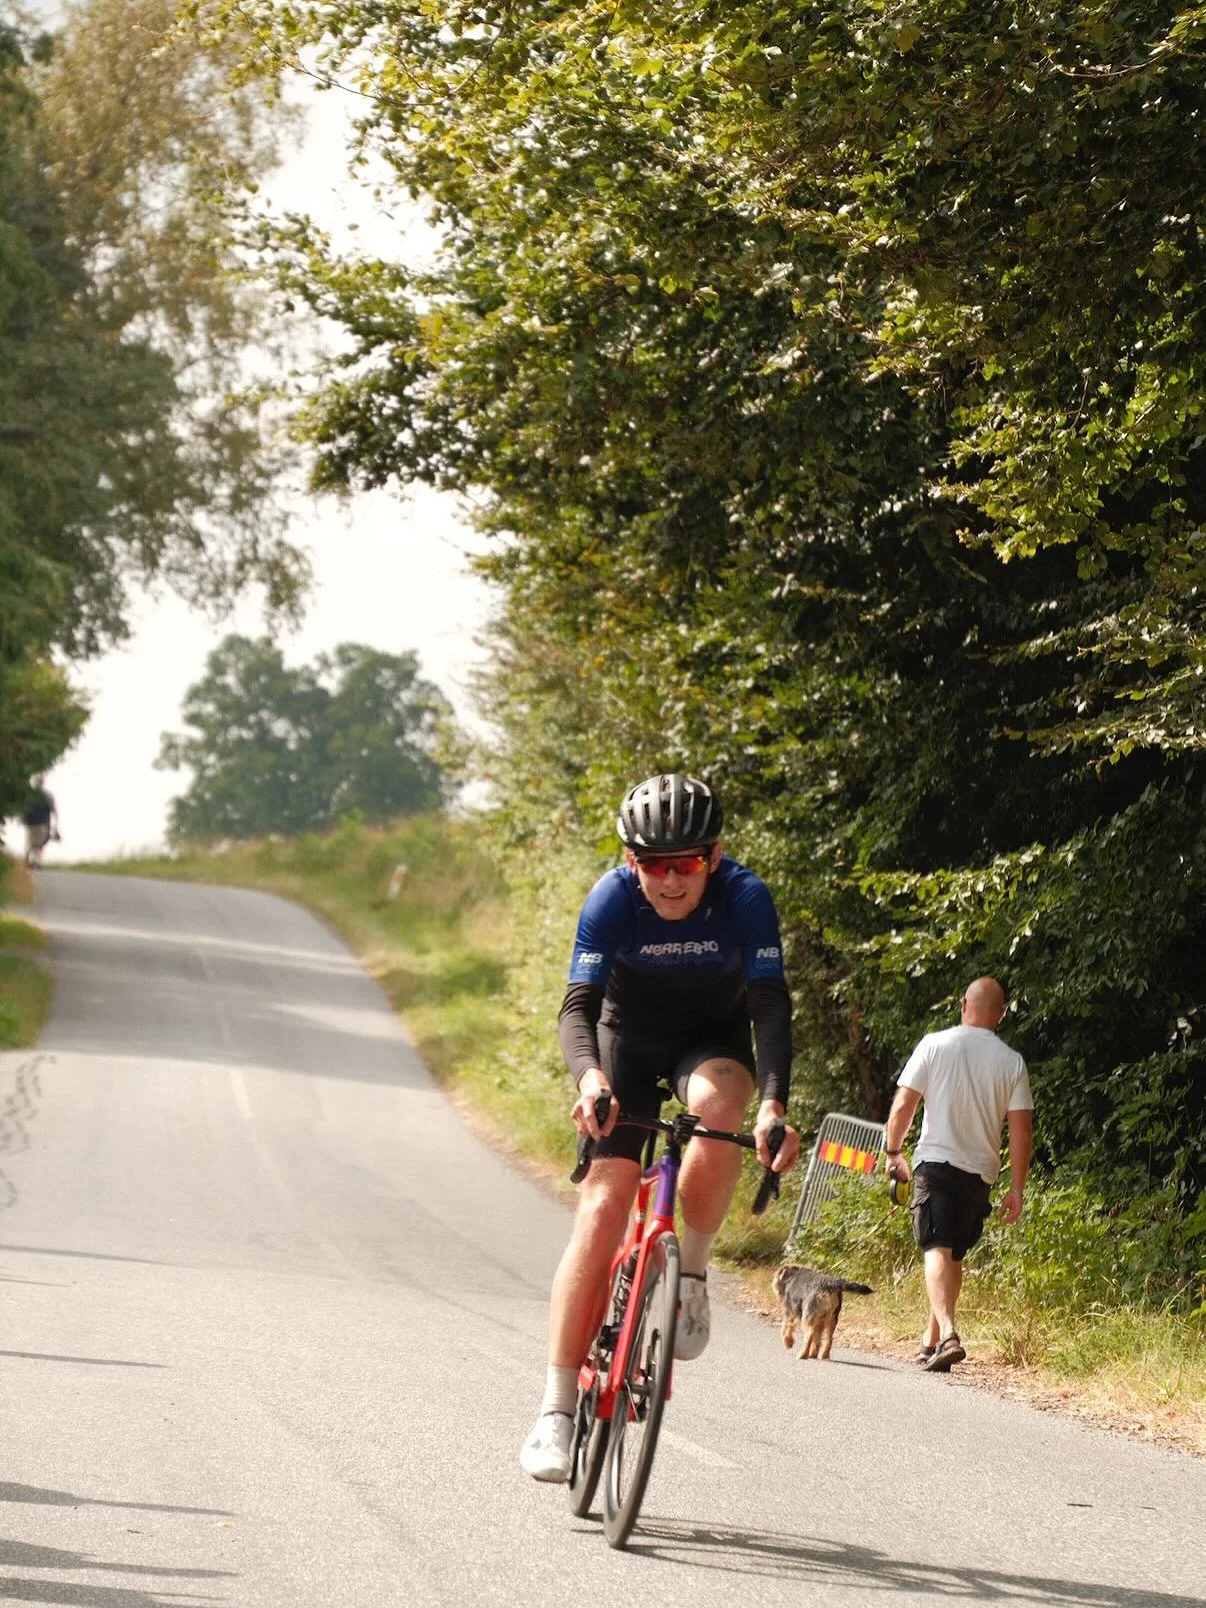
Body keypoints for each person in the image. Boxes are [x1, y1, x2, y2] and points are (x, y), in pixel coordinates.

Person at [520, 772, 801, 1481]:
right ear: (630, 860)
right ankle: (555, 1411)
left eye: (688, 862)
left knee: (719, 1111)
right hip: (627, 1042)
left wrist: (774, 1103)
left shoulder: (745, 897)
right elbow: (578, 1006)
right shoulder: (612, 898)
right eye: (655, 864)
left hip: (709, 1041)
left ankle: (692, 1275)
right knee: (603, 1207)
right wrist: (591, 1081)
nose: (672, 880)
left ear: (715, 856)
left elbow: (770, 1005)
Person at [882, 976, 1033, 1372]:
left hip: (936, 1161)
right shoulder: (1012, 1061)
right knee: (953, 1253)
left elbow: (905, 1105)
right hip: (980, 1173)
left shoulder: (934, 1044)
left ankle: (948, 1333)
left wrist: (894, 1151)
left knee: (935, 1247)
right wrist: (1017, 1188)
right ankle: (931, 1340)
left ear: (964, 1004)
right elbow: (1021, 1131)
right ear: (1001, 1014)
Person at [21, 776, 59, 869]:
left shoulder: (29, 795)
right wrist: (56, 823)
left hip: (31, 822)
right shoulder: (48, 795)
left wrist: (23, 819)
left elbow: (24, 809)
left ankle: (29, 862)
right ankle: (36, 862)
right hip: (42, 823)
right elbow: (53, 809)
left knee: (31, 842)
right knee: (38, 844)